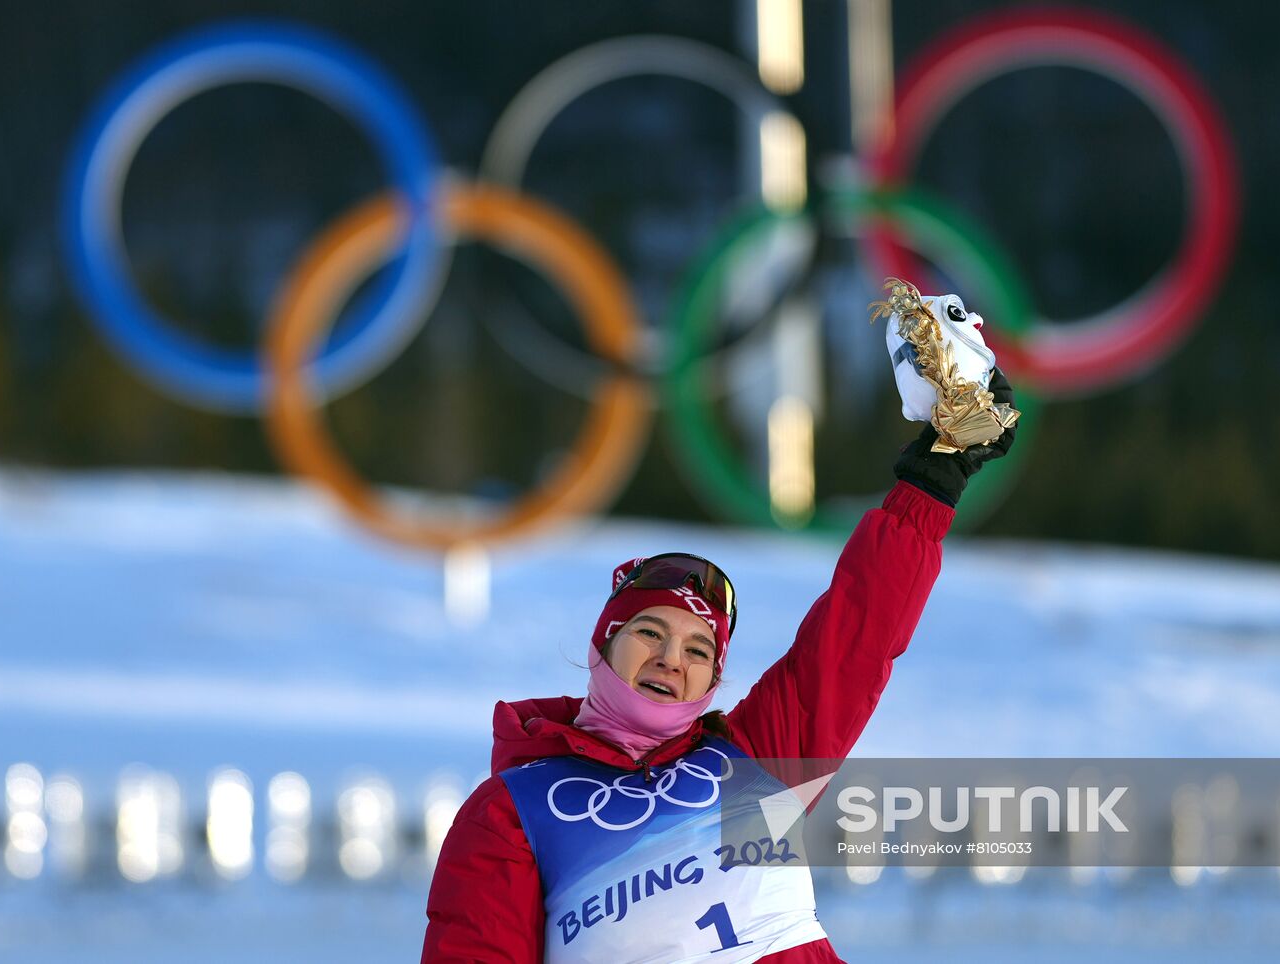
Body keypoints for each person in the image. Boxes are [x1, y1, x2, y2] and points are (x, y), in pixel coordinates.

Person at [421, 303, 1017, 962]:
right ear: (604, 644)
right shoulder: (515, 811)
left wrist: (936, 478)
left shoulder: (756, 760)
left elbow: (860, 631)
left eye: (698, 650)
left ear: (714, 678)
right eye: (650, 632)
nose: (672, 659)